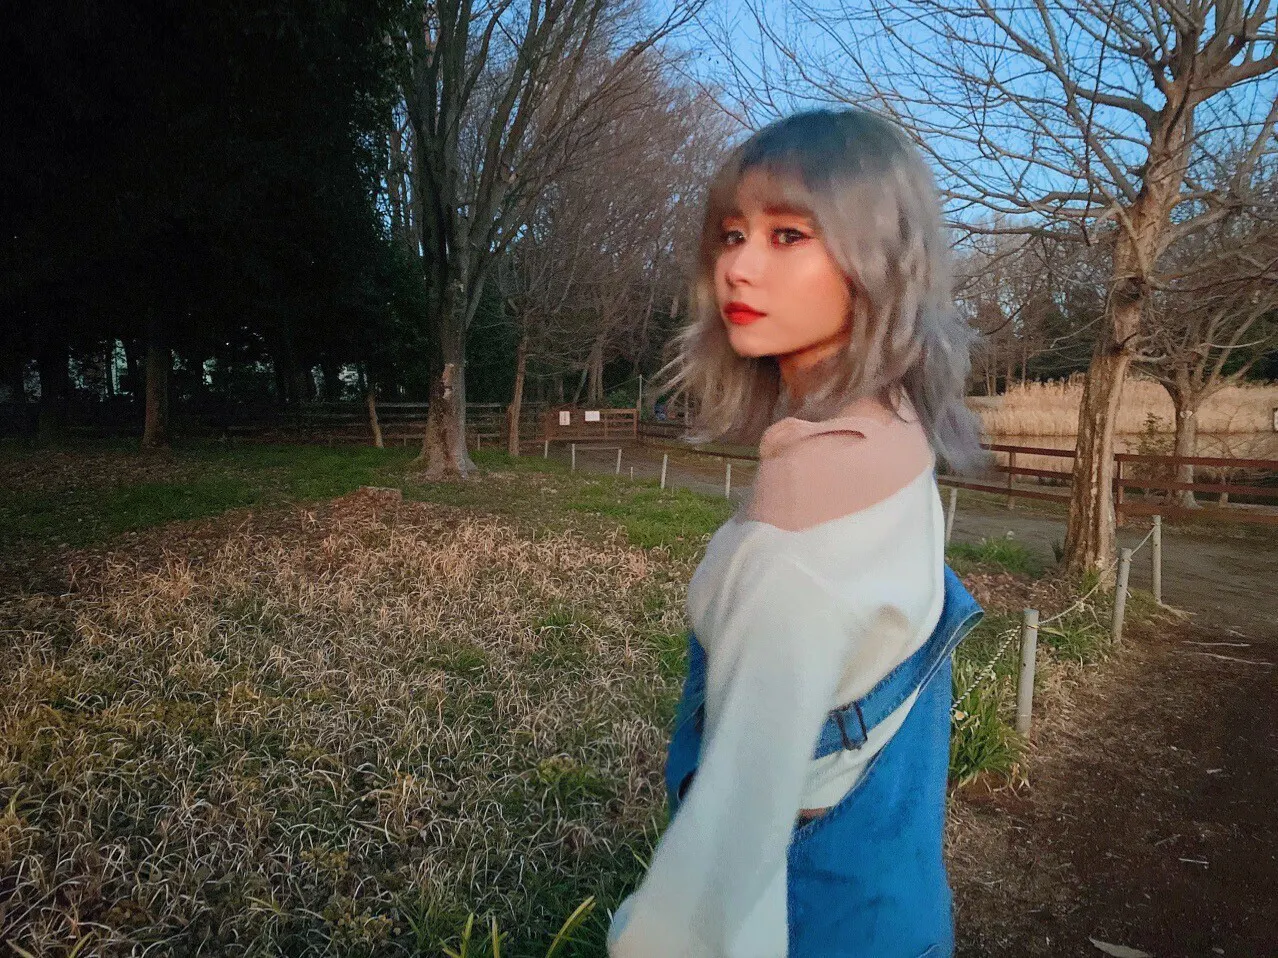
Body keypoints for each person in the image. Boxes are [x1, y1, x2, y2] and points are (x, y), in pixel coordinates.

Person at [605, 108, 989, 958]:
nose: (738, 267)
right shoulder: (895, 432)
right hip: (899, 911)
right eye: (731, 234)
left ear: (879, 262)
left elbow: (713, 894)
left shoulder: (797, 544)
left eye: (788, 235)